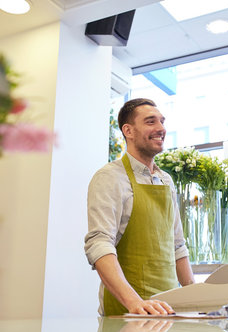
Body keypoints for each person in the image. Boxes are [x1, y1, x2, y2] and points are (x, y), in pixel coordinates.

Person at [84, 98, 195, 316]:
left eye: (162, 121)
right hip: (129, 314)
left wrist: (199, 300)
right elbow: (99, 244)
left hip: (168, 312)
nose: (161, 128)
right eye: (151, 122)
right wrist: (135, 303)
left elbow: (177, 246)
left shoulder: (166, 181)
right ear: (128, 131)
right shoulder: (109, 177)